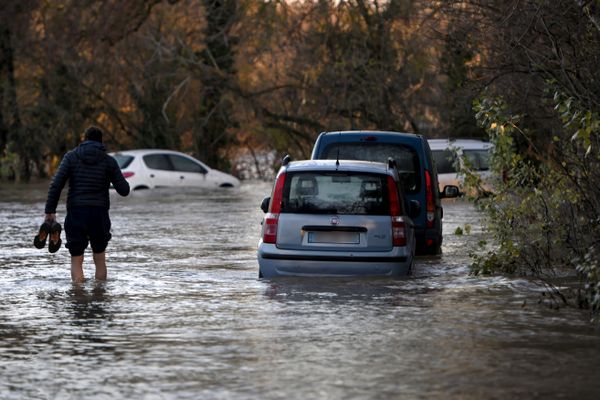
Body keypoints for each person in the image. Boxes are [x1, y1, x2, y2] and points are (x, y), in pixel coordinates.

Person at [44, 126, 130, 283]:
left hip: (76, 213)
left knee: (76, 260)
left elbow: (56, 184)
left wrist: (50, 210)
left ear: (84, 139)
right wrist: (112, 174)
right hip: (99, 214)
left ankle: (79, 298)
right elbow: (124, 190)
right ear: (101, 141)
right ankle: (100, 296)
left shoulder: (71, 157)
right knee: (100, 259)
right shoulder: (109, 161)